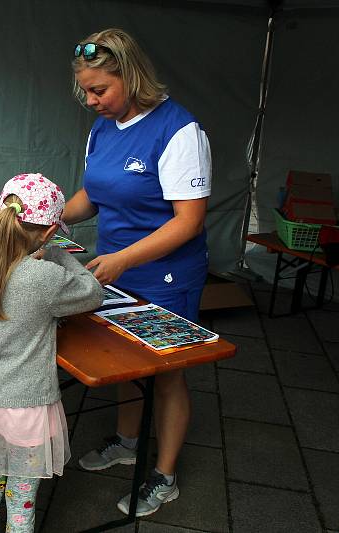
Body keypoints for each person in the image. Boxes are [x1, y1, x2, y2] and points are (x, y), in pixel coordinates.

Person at [65, 28, 212, 517]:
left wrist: (126, 258)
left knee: (168, 375)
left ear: (130, 76)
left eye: (99, 90)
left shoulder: (179, 131)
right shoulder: (104, 126)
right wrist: (46, 217)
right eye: (85, 90)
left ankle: (165, 475)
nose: (90, 100)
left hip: (165, 276)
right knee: (126, 361)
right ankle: (129, 440)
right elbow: (95, 195)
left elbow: (189, 221)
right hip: (116, 268)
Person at [0, 174, 104, 533]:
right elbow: (92, 291)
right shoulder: (45, 277)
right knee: (22, 500)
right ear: (49, 233)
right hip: (29, 408)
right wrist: (59, 256)